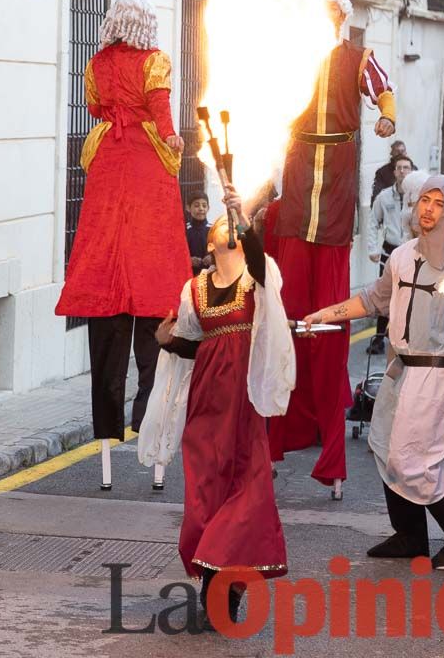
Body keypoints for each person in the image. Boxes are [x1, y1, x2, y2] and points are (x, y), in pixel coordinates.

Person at [302, 175, 444, 570]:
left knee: (415, 461)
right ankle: (411, 534)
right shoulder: (402, 256)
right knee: (381, 444)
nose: (427, 210)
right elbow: (374, 300)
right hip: (400, 368)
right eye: (423, 201)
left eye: (437, 204)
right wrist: (324, 315)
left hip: (436, 375)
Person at [139, 186, 295, 628]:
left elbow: (262, 265)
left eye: (236, 223)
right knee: (204, 496)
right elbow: (194, 345)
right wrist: (167, 341)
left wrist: (246, 224)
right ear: (209, 241)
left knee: (245, 494)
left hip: (244, 404)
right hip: (207, 405)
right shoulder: (195, 289)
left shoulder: (262, 278)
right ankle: (211, 577)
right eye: (222, 223)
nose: (229, 224)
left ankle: (224, 589)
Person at [55, 0, 191, 489]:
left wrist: (121, 111)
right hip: (147, 167)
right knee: (154, 296)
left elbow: (94, 106)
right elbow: (159, 107)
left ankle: (108, 434)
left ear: (113, 22)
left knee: (108, 305)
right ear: (147, 26)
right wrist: (171, 134)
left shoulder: (97, 62)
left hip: (110, 165)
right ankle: (148, 423)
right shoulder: (155, 61)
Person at [269, 0, 396, 500]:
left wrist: (387, 115)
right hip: (299, 179)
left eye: (328, 11)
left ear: (340, 18)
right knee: (286, 313)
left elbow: (381, 87)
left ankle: (330, 451)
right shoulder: (288, 58)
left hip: (338, 185)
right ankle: (275, 437)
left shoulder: (357, 57)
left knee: (329, 318)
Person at [366, 156, 414, 355]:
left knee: (409, 296)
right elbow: (372, 223)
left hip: (412, 253)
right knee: (386, 295)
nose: (403, 171)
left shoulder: (419, 196)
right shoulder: (384, 197)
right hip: (390, 253)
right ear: (394, 172)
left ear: (411, 171)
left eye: (407, 168)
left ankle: (406, 339)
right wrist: (372, 249)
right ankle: (378, 340)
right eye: (399, 168)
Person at [186, 190, 212, 274]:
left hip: (210, 275)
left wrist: (213, 258)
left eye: (204, 206)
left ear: (208, 208)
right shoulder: (184, 230)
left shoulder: (214, 229)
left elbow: (222, 252)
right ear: (188, 208)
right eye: (196, 205)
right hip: (188, 275)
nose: (201, 209)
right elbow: (176, 254)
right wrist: (188, 260)